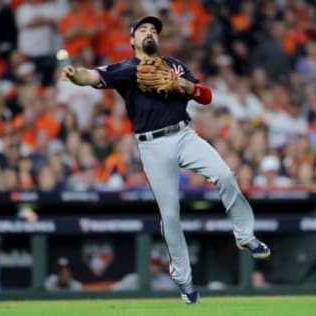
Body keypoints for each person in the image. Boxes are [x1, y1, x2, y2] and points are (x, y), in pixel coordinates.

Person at [61, 15, 270, 304]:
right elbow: (94, 76)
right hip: (152, 145)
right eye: (143, 29)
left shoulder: (174, 66)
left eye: (154, 30)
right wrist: (75, 75)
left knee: (224, 175)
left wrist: (184, 86)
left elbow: (206, 96)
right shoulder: (126, 69)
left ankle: (245, 235)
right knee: (170, 214)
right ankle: (184, 281)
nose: (150, 33)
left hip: (184, 135)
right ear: (133, 40)